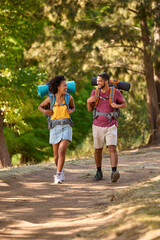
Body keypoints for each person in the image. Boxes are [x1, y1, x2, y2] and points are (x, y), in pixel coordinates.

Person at [87, 72, 127, 182]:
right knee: (98, 149)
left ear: (106, 81)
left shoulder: (115, 92)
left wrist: (117, 105)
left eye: (100, 81)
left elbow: (124, 104)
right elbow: (90, 109)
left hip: (111, 124)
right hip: (97, 125)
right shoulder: (94, 92)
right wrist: (88, 101)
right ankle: (98, 172)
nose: (97, 83)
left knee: (112, 148)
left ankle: (114, 172)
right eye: (97, 81)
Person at [38, 75, 75, 184]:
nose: (66, 88)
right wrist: (46, 111)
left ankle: (58, 175)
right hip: (54, 127)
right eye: (64, 86)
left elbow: (73, 107)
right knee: (56, 156)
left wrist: (71, 111)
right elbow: (40, 106)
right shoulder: (50, 98)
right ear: (58, 87)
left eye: (67, 86)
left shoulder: (69, 98)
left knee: (61, 150)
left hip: (66, 126)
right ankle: (61, 170)